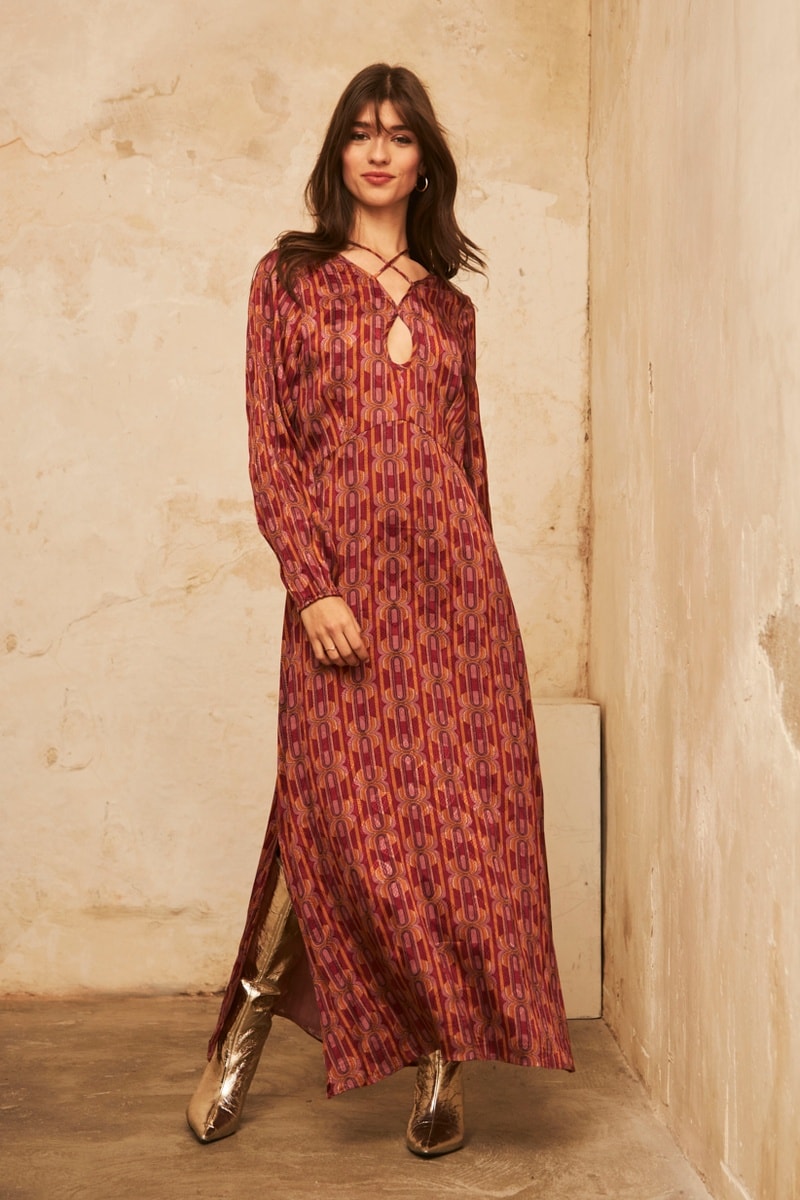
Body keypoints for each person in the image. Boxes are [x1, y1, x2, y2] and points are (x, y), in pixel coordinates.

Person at [186, 62, 574, 1157]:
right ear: (338, 151)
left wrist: (483, 614)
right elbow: (271, 449)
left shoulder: (451, 308)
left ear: (422, 162)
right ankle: (245, 1028)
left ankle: (442, 1063)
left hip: (454, 605)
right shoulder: (289, 280)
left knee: (453, 832)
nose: (378, 151)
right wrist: (312, 585)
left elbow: (470, 469)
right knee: (333, 822)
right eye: (361, 132)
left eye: (399, 136)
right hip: (342, 597)